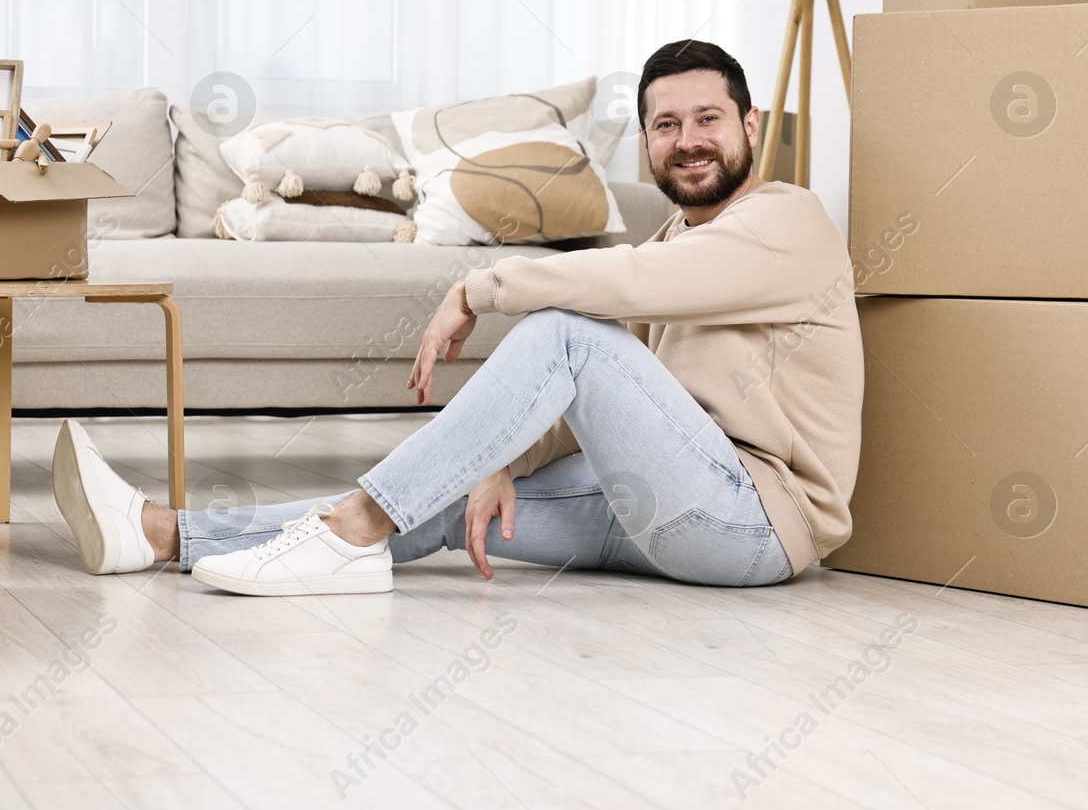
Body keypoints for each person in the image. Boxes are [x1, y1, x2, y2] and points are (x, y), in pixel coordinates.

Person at [52, 39, 863, 596]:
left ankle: (352, 530)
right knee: (443, 492)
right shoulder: (676, 231)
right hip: (655, 502)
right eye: (666, 124)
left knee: (562, 329)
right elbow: (613, 394)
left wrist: (480, 288)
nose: (688, 141)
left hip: (751, 522)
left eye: (709, 120)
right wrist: (500, 459)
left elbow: (630, 288)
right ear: (648, 142)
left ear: (751, 128)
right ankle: (162, 536)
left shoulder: (790, 222)